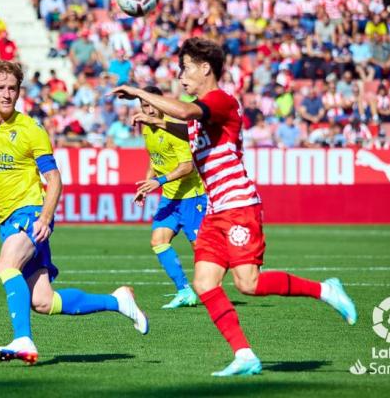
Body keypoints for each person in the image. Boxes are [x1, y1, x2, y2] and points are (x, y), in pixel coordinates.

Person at [110, 38, 357, 377]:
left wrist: (141, 92)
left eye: (185, 68)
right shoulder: (201, 111)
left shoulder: (220, 100)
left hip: (239, 204)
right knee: (205, 283)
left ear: (205, 68)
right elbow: (187, 125)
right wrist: (157, 121)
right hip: (215, 209)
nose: (181, 77)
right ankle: (244, 355)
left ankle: (325, 290)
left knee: (248, 284)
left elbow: (185, 112)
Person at [0, 61, 148, 364]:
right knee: (43, 301)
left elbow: (54, 180)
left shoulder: (30, 130)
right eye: (0, 88)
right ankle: (118, 301)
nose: (7, 94)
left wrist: (45, 217)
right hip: (6, 219)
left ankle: (23, 340)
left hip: (31, 212)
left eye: (13, 88)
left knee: (6, 264)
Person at [135, 86, 206, 309]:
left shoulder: (173, 129)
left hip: (191, 196)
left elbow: (187, 167)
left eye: (152, 105)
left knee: (202, 250)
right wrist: (147, 183)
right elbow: (154, 159)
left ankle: (237, 260)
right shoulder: (146, 127)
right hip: (169, 197)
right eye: (145, 106)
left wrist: (160, 181)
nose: (149, 110)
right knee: (158, 241)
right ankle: (184, 291)